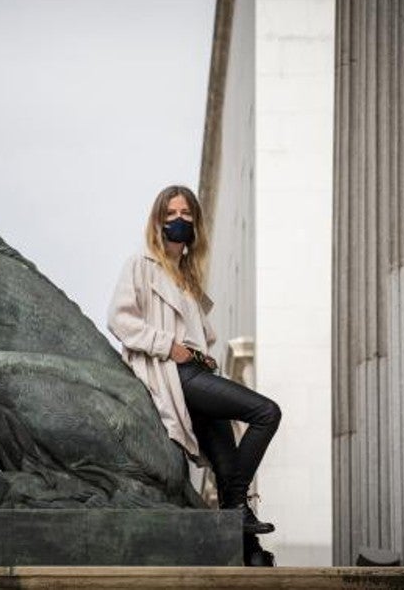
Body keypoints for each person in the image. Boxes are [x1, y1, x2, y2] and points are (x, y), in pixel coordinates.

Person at [107, 185, 282, 545]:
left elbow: (197, 336)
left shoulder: (187, 276)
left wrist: (203, 353)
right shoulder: (141, 265)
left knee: (227, 466)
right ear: (158, 220)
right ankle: (237, 502)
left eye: (186, 214)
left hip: (198, 374)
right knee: (266, 412)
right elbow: (119, 319)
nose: (178, 220)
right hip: (173, 375)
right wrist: (169, 346)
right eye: (170, 214)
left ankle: (248, 545)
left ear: (196, 222)